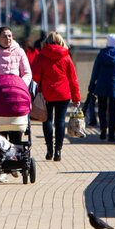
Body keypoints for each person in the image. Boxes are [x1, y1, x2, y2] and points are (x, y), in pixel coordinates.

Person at [33, 31, 80, 161]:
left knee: (47, 120)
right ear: (61, 41)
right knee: (60, 122)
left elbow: (35, 76)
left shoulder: (41, 56)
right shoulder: (66, 56)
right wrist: (76, 98)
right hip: (63, 94)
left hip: (47, 93)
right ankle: (58, 151)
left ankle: (49, 149)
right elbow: (73, 79)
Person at [88, 33, 115, 142]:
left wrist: (91, 85)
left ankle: (103, 128)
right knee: (113, 110)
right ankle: (112, 134)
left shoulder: (101, 55)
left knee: (102, 108)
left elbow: (95, 71)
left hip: (101, 85)